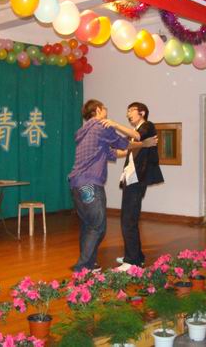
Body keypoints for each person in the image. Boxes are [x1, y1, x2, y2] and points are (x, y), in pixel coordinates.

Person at [68, 99, 156, 272]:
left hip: (76, 184)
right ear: (98, 110)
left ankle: (90, 263)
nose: (106, 111)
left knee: (88, 225)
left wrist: (134, 147)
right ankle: (83, 267)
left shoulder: (85, 132)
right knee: (98, 227)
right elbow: (124, 143)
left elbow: (114, 152)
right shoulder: (101, 126)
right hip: (90, 184)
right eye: (104, 108)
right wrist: (144, 144)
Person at [102, 102, 164, 269]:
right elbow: (126, 149)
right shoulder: (135, 133)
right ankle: (136, 256)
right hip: (130, 178)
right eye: (127, 111)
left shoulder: (147, 126)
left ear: (142, 112)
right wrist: (106, 150)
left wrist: (114, 124)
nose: (128, 114)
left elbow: (137, 136)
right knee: (128, 218)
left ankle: (132, 261)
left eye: (131, 110)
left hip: (137, 179)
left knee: (128, 220)